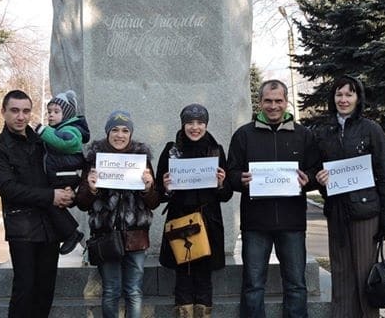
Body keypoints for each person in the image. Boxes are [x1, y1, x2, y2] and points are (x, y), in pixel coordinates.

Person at [226, 79, 319, 318]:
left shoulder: (303, 135)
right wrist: (240, 179)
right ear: (260, 102)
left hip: (292, 223)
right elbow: (231, 173)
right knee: (253, 285)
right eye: (268, 100)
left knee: (296, 285)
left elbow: (316, 172)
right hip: (256, 224)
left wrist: (307, 178)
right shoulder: (244, 135)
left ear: (286, 102)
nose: (273, 106)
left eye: (278, 101)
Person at [0, 89, 75, 318]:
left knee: (45, 291)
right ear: (3, 112)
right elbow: (8, 189)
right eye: (14, 111)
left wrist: (68, 189)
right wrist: (51, 196)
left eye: (26, 111)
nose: (21, 116)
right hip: (22, 228)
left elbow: (58, 169)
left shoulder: (42, 141)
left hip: (50, 227)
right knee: (25, 289)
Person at [313, 75, 385, 318]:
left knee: (364, 276)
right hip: (336, 212)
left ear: (358, 98)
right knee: (341, 276)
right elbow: (319, 170)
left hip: (365, 213)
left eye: (349, 94)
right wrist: (321, 181)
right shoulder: (324, 131)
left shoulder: (371, 130)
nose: (343, 99)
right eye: (339, 94)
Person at [76, 110, 159, 318]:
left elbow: (154, 202)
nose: (120, 135)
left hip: (136, 238)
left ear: (130, 134)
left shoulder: (142, 159)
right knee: (111, 291)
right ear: (107, 132)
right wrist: (91, 188)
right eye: (115, 130)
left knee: (134, 291)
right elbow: (82, 203)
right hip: (106, 237)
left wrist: (149, 187)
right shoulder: (94, 160)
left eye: (124, 130)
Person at [156, 103, 233, 318]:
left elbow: (226, 195)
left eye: (200, 123)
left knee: (204, 274)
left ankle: (203, 313)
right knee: (183, 272)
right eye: (190, 122)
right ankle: (183, 313)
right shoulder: (172, 150)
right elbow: (159, 192)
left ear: (206, 125)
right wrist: (166, 187)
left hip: (208, 221)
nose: (195, 127)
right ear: (183, 124)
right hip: (180, 220)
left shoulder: (216, 150)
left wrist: (220, 183)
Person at [34, 90, 90, 255]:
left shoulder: (71, 130)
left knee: (47, 200)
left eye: (56, 112)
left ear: (67, 114)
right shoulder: (59, 129)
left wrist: (43, 132)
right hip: (60, 174)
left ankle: (71, 233)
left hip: (66, 174)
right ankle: (69, 233)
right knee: (51, 203)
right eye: (49, 112)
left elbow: (67, 144)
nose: (51, 115)